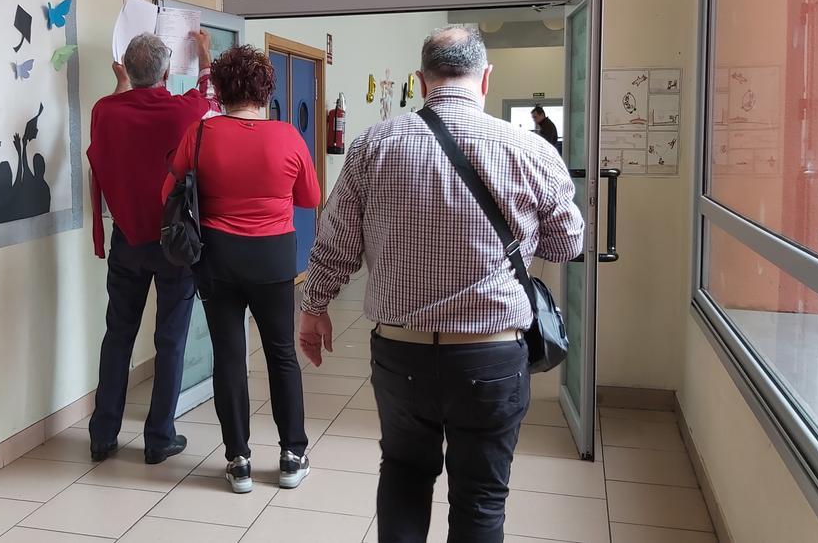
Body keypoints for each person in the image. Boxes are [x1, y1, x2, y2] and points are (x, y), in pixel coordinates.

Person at [298, 27, 584, 542]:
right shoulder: (531, 150)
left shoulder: (372, 145)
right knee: (479, 498)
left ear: (421, 79)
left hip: (400, 354)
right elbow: (566, 246)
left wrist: (314, 306)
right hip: (492, 358)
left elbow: (335, 240)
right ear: (486, 77)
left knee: (404, 476)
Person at [163, 45, 320, 494]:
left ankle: (238, 461)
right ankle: (292, 455)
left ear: (220, 89)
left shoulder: (199, 134)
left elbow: (169, 191)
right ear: (265, 90)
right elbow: (309, 198)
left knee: (229, 356)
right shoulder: (288, 136)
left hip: (217, 258)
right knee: (281, 354)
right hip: (272, 259)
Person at [86, 31, 219, 465]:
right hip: (172, 243)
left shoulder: (104, 111)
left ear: (125, 69)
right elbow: (208, 97)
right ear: (165, 72)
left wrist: (123, 82)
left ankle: (103, 434)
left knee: (118, 336)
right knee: (170, 341)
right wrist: (203, 56)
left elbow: (121, 113)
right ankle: (159, 437)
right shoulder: (181, 112)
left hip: (127, 240)